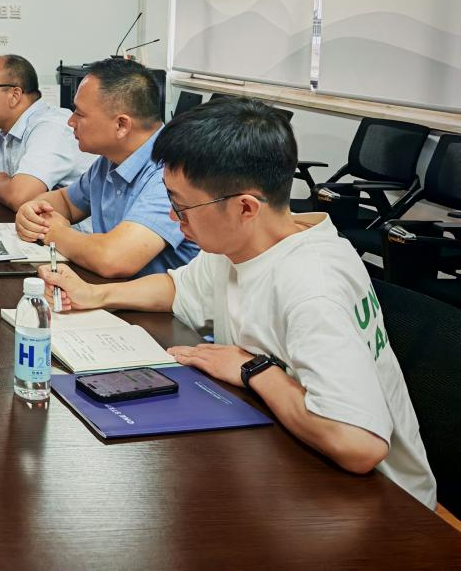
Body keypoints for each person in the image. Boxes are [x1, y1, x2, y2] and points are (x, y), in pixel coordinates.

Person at [39, 98, 436, 509]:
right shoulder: (242, 242)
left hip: (382, 503)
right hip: (287, 446)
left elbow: (358, 444)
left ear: (246, 206)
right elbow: (179, 289)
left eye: (182, 207)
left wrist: (253, 370)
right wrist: (99, 294)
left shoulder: (312, 285)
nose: (175, 219)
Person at [15, 57, 197, 278]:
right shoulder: (111, 159)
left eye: (79, 114)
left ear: (121, 125)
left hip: (157, 300)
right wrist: (31, 211)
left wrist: (54, 232)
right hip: (113, 290)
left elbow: (114, 259)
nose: (70, 122)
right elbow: (67, 202)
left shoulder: (172, 171)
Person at [0, 55, 94, 210]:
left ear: (14, 95)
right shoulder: (2, 127)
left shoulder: (51, 128)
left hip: (69, 225)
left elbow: (20, 197)